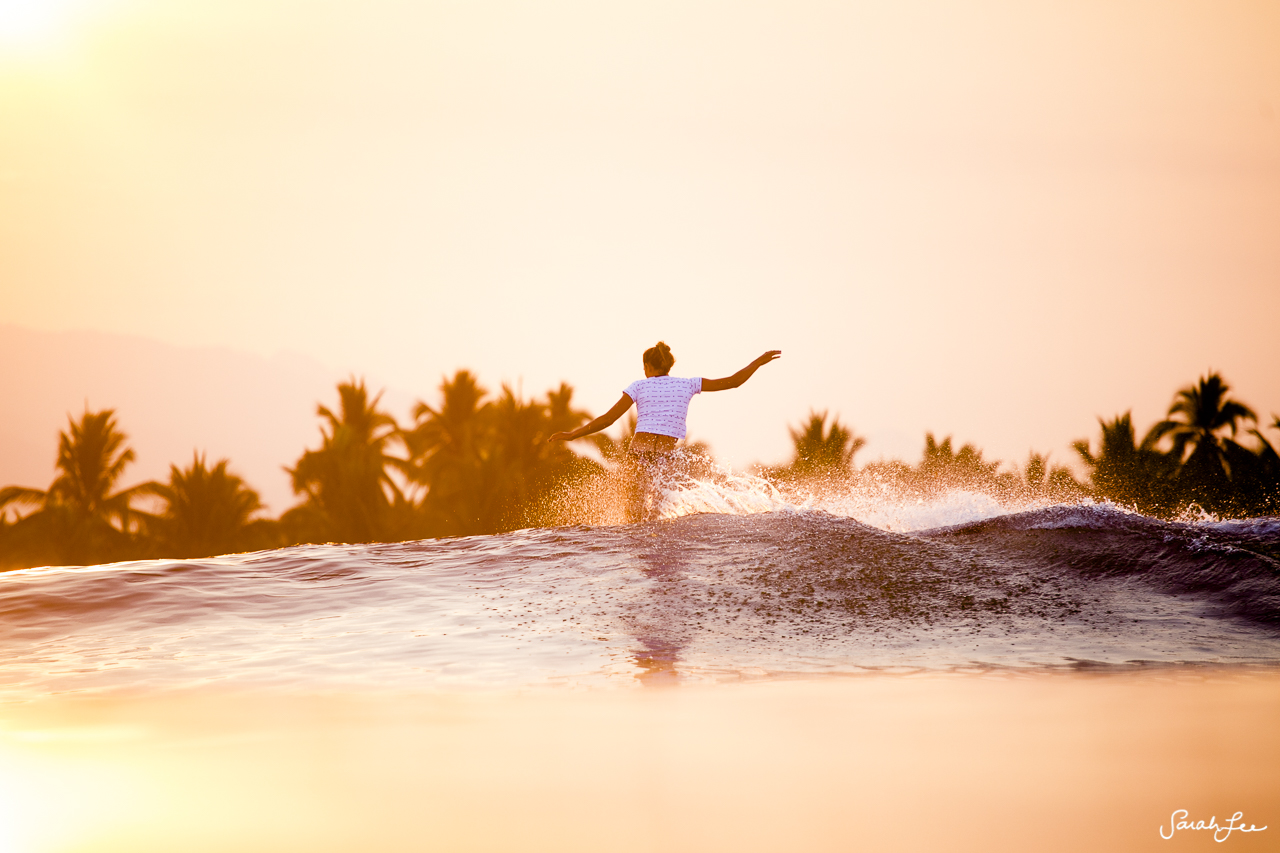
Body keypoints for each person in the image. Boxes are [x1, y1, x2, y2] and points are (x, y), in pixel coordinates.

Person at [549, 342, 781, 519]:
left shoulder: (639, 385)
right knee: (655, 514)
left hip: (638, 454)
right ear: (668, 366)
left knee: (634, 515)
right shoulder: (688, 384)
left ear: (647, 367)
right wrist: (757, 362)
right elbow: (733, 381)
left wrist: (572, 435)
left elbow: (608, 420)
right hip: (665, 458)